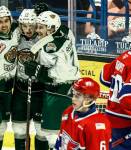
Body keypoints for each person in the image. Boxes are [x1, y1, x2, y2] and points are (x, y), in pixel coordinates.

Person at [24, 10, 80, 149]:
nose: (37, 30)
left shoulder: (51, 46)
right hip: (67, 90)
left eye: (41, 27)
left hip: (57, 92)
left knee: (53, 135)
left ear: (51, 28)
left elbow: (58, 74)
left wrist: (37, 70)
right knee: (61, 132)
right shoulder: (65, 34)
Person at [100, 26, 131, 150]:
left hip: (111, 119)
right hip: (129, 125)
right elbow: (127, 97)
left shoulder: (126, 56)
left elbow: (104, 77)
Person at [10, 9, 44, 150]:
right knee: (19, 130)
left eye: (31, 25)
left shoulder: (44, 37)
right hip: (20, 89)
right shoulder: (15, 35)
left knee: (42, 132)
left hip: (39, 89)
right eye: (25, 26)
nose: (28, 29)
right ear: (20, 25)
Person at [54, 77, 112, 150]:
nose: (73, 98)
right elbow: (60, 140)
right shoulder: (69, 111)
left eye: (77, 96)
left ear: (89, 99)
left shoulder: (97, 126)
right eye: (73, 94)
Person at [0, 5, 19, 149]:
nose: (3, 25)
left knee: (3, 127)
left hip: (9, 87)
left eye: (6, 21)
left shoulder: (16, 32)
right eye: (0, 21)